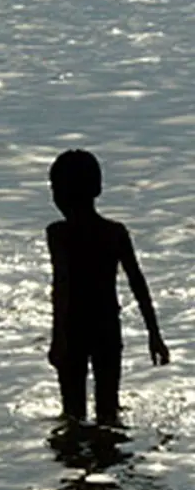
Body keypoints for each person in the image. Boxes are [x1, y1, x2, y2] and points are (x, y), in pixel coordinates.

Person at [46, 149, 170, 426]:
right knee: (108, 410)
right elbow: (138, 283)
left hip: (73, 328)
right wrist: (154, 334)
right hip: (106, 328)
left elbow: (61, 288)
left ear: (60, 193)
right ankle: (107, 453)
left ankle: (75, 458)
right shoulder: (115, 232)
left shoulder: (58, 234)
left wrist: (57, 338)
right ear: (97, 188)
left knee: (72, 413)